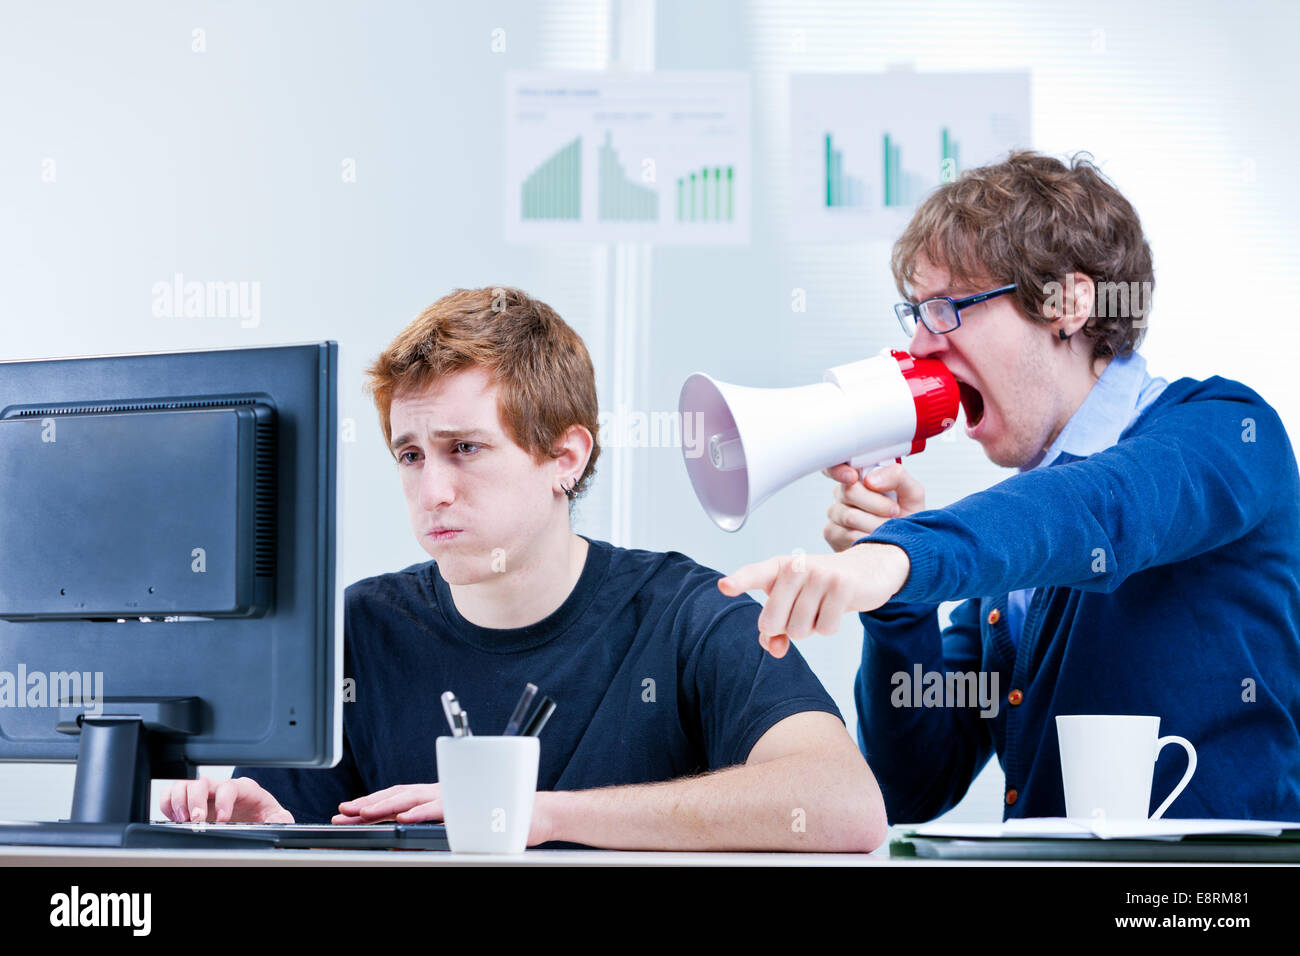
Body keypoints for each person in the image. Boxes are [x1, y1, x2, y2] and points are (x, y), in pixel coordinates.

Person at [160, 286, 887, 851]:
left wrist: (535, 816)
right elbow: (299, 837)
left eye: (465, 449)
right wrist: (267, 836)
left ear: (564, 459)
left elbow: (842, 804)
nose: (431, 490)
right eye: (411, 455)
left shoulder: (688, 614)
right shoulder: (358, 632)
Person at [720, 150, 1300, 822]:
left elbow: (1106, 510)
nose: (922, 349)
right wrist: (897, 599)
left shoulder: (1228, 433)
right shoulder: (1012, 558)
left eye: (948, 309)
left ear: (1069, 305)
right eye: (916, 314)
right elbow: (912, 787)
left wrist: (904, 555)